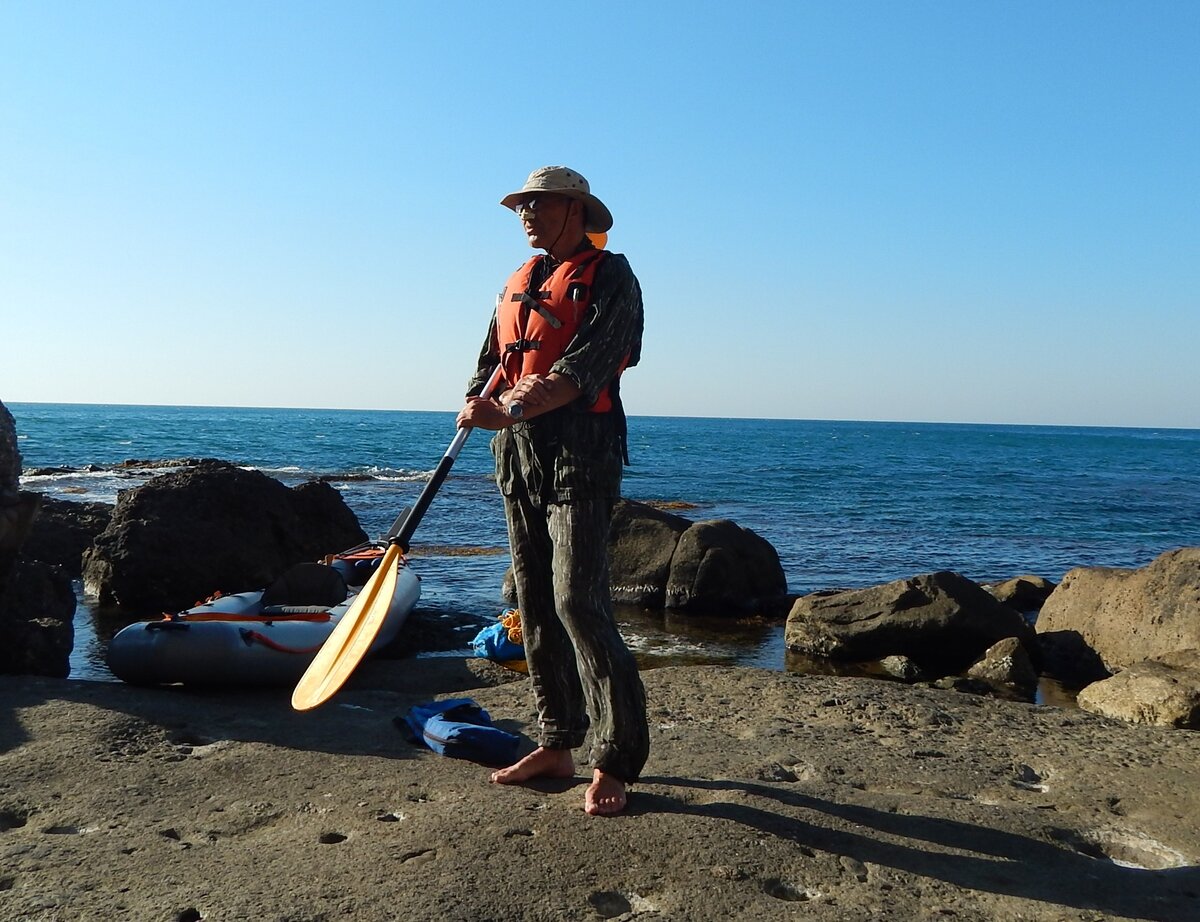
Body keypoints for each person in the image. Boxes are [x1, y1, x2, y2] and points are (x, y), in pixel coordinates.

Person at [456, 166, 649, 816]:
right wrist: (475, 399)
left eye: (539, 204)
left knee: (578, 600)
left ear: (574, 208)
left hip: (580, 455)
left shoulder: (612, 275)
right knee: (534, 600)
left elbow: (587, 364)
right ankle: (558, 742)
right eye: (521, 207)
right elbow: (493, 359)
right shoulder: (520, 280)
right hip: (518, 456)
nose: (527, 215)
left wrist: (508, 410)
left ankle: (616, 759)